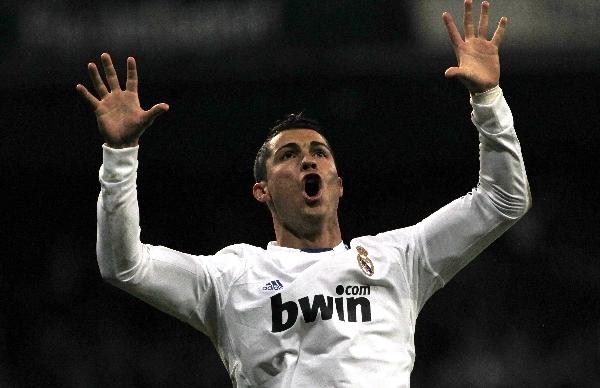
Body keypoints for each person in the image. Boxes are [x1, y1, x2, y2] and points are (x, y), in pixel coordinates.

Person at [76, 1, 531, 387]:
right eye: (289, 155)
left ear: (338, 182)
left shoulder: (401, 257)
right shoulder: (230, 277)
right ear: (262, 190)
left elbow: (503, 200)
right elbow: (124, 265)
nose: (308, 161)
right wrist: (119, 153)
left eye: (319, 153)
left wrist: (488, 99)